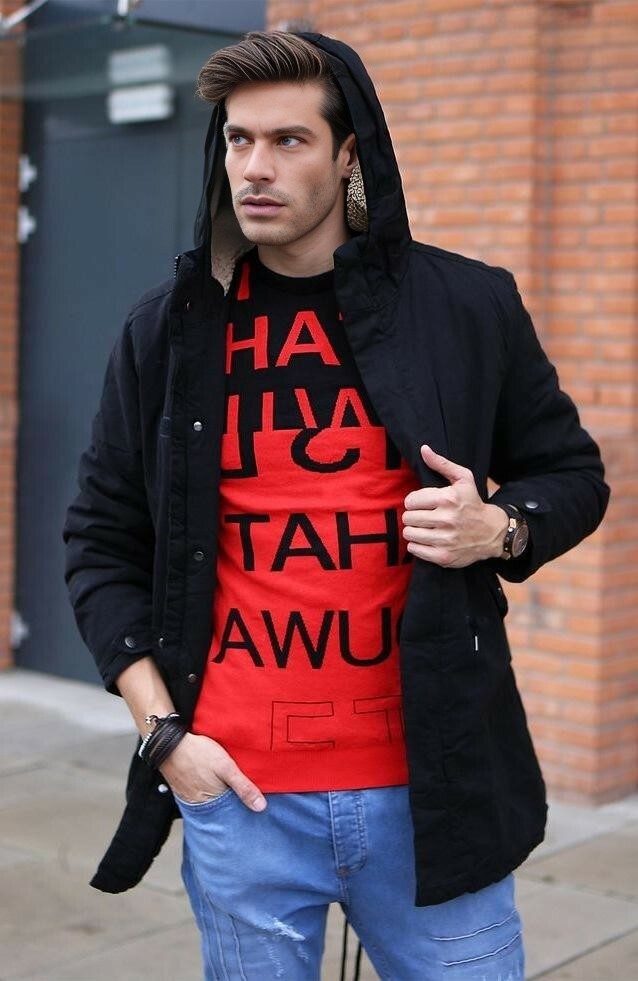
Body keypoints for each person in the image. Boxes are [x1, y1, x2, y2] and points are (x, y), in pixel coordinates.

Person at [64, 30, 609, 981]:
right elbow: (100, 540)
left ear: (349, 153)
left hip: (431, 792)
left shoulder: (465, 306)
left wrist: (499, 528)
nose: (255, 167)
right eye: (238, 140)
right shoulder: (168, 329)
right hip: (239, 794)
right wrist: (165, 735)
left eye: (289, 140)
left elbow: (571, 474)